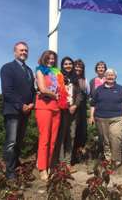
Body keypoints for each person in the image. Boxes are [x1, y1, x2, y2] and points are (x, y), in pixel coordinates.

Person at [0, 41, 36, 180]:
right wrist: (21, 105)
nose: (24, 52)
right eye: (21, 50)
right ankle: (10, 173)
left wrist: (32, 104)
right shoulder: (7, 68)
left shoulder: (28, 70)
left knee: (19, 141)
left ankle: (15, 164)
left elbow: (32, 91)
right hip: (13, 111)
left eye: (26, 50)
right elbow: (7, 91)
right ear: (15, 52)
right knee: (11, 142)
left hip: (26, 111)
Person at [34, 50, 68, 180]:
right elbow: (42, 89)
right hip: (43, 107)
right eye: (48, 58)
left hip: (56, 108)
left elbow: (61, 89)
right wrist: (55, 95)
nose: (51, 60)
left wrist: (62, 96)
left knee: (53, 140)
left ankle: (49, 166)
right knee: (44, 139)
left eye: (53, 58)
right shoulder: (40, 71)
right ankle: (42, 168)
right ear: (44, 58)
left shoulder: (57, 73)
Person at [89, 68, 122, 166]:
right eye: (108, 75)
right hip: (101, 118)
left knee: (116, 137)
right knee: (105, 139)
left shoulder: (120, 88)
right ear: (105, 77)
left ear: (115, 77)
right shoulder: (99, 89)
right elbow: (93, 104)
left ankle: (117, 159)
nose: (110, 77)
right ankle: (108, 158)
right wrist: (91, 116)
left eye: (112, 75)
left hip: (117, 118)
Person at [54, 56, 83, 169]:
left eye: (70, 64)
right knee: (61, 136)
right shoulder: (58, 77)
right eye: (65, 64)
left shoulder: (76, 79)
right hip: (61, 110)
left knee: (71, 135)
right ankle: (61, 162)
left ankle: (67, 161)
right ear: (62, 65)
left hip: (73, 111)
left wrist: (75, 105)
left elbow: (80, 94)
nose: (68, 66)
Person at [73, 59, 89, 155]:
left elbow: (88, 93)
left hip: (82, 107)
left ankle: (79, 151)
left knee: (81, 129)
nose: (78, 68)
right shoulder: (69, 78)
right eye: (76, 66)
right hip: (71, 106)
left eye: (80, 67)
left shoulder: (85, 80)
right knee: (72, 130)